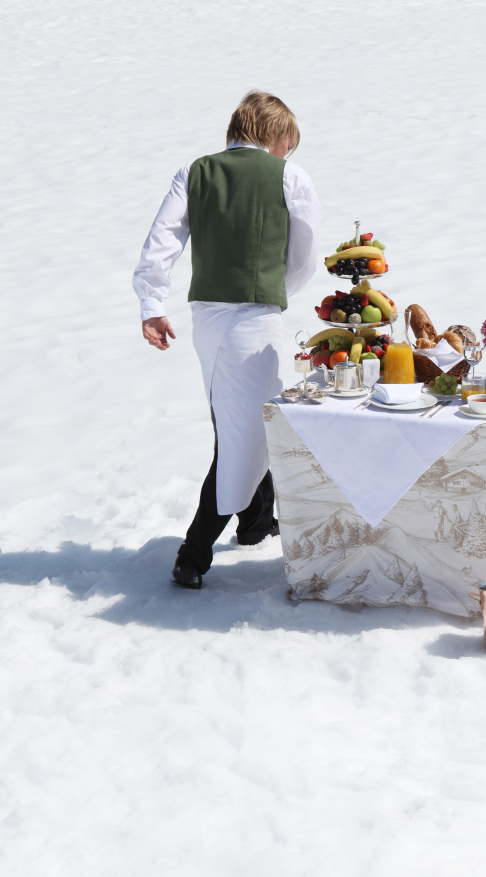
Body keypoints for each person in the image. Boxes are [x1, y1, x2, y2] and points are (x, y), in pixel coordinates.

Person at [132, 91, 321, 589]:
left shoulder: (194, 171)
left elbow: (163, 239)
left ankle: (256, 523)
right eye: (288, 144)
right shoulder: (290, 178)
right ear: (277, 135)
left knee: (237, 418)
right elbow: (303, 259)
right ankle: (193, 555)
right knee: (250, 435)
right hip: (254, 318)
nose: (287, 154)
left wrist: (152, 303)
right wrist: (271, 291)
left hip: (206, 319)